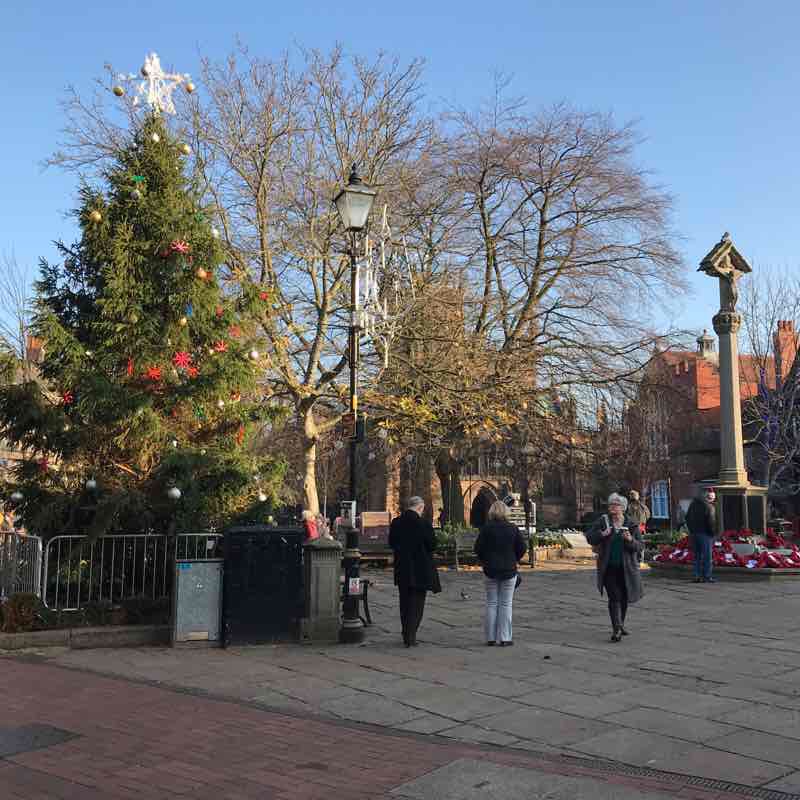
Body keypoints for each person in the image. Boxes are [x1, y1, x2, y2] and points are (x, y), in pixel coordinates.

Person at [585, 492, 644, 642]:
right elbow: (589, 537)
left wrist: (630, 540)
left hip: (626, 569)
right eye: (611, 504)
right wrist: (602, 534)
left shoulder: (631, 524)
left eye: (616, 505)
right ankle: (616, 628)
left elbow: (640, 546)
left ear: (622, 508)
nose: (612, 507)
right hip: (608, 567)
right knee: (614, 597)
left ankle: (621, 623)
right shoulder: (603, 521)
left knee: (624, 597)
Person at [389, 496, 440, 647]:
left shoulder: (396, 522)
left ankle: (406, 633)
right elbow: (432, 545)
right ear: (419, 508)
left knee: (404, 602)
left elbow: (391, 543)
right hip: (420, 569)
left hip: (403, 568)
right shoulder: (423, 523)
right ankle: (411, 635)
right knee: (417, 603)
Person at [474, 500, 527, 647]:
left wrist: (485, 560)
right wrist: (514, 559)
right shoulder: (513, 528)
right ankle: (505, 637)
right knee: (506, 604)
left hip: (490, 569)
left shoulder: (486, 529)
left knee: (491, 603)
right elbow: (522, 548)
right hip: (509, 570)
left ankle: (490, 637)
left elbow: (478, 548)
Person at [685, 486, 716, 583]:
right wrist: (712, 533)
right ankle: (707, 576)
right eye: (712, 499)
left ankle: (697, 576)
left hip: (693, 533)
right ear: (709, 498)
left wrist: (691, 530)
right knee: (707, 557)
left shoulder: (692, 504)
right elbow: (711, 522)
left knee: (697, 556)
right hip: (705, 534)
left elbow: (687, 518)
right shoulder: (709, 507)